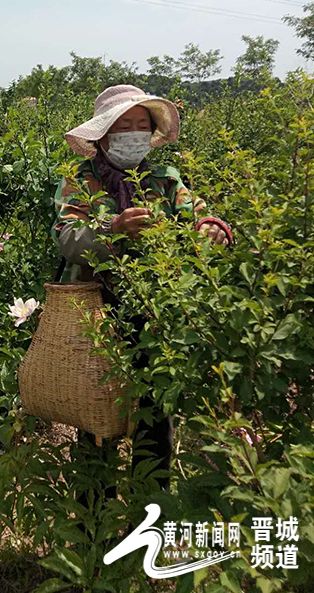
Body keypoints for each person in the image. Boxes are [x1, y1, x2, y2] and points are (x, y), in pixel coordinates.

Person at [51, 85, 232, 504]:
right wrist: (111, 229)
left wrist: (210, 227)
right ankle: (94, 513)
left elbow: (197, 214)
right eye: (123, 126)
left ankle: (150, 509)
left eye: (141, 125)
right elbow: (67, 237)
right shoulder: (81, 180)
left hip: (156, 316)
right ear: (103, 135)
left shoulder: (165, 179)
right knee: (96, 412)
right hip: (98, 316)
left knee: (156, 413)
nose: (133, 133)